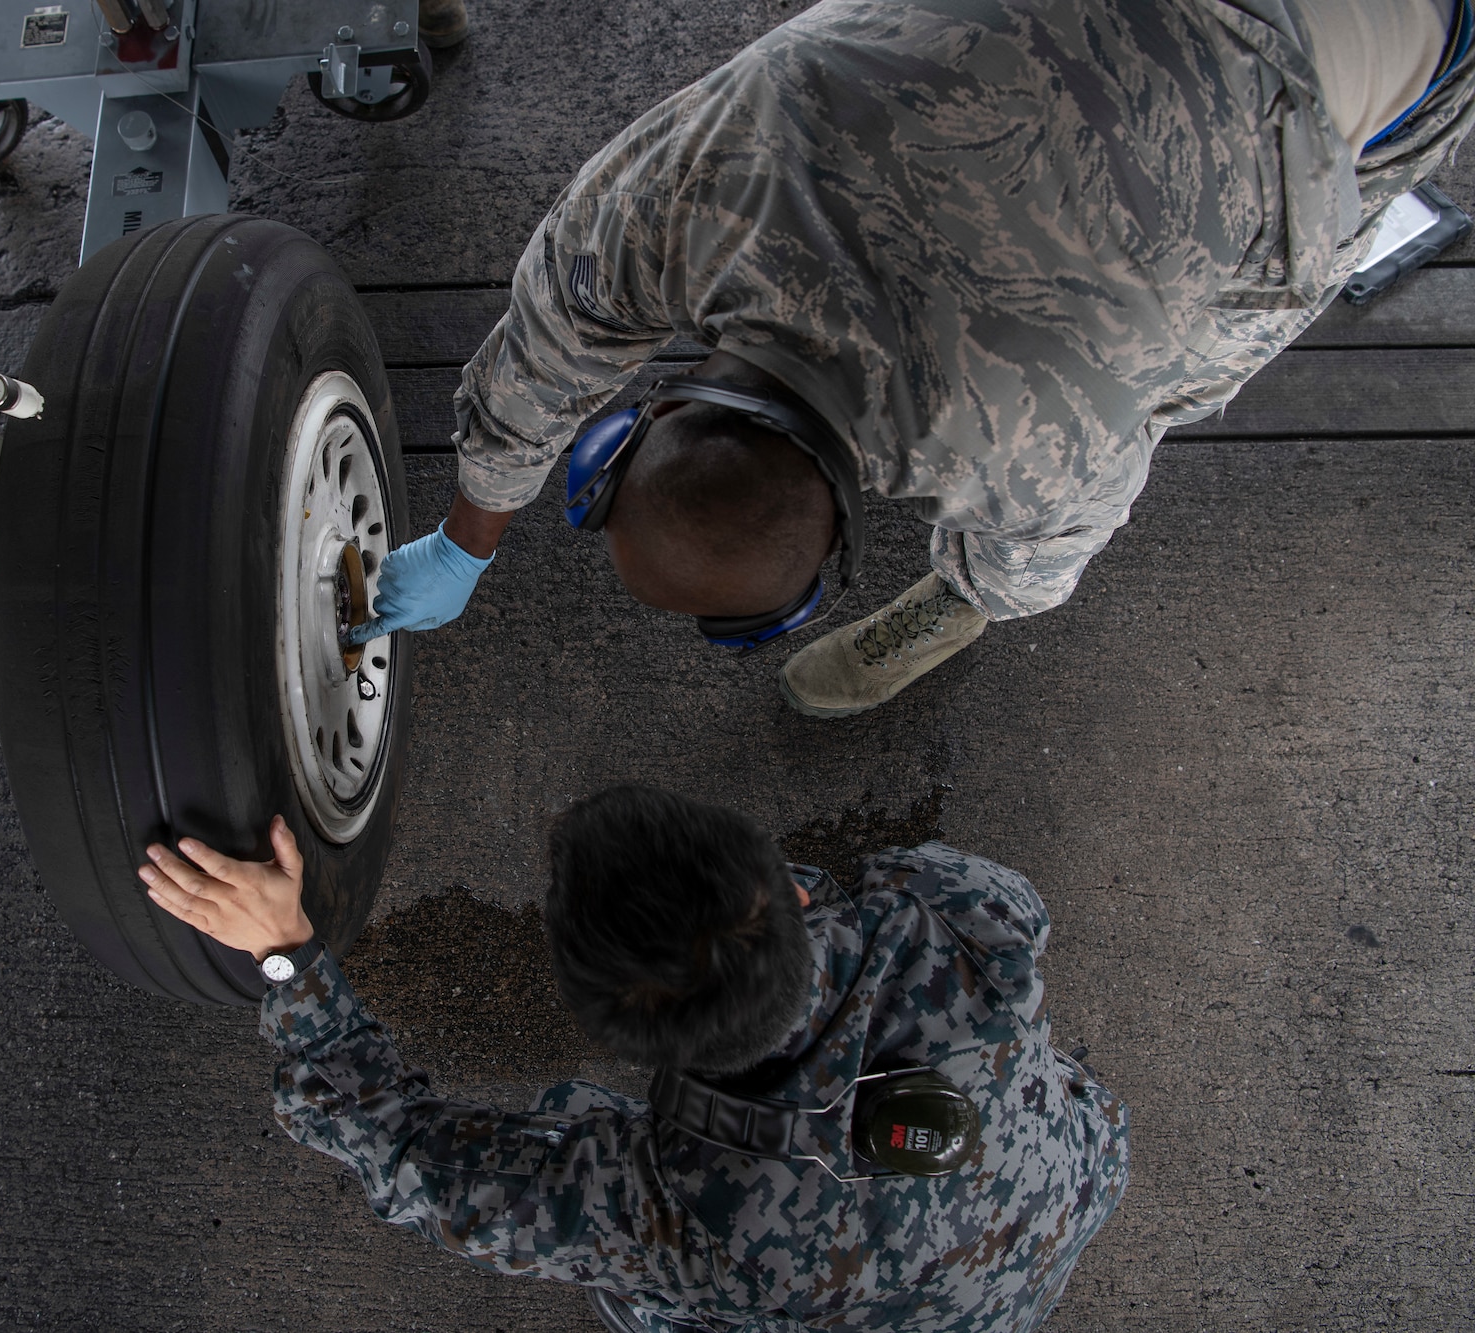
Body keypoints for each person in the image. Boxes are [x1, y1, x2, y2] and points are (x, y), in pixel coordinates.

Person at [349, 0, 1475, 718]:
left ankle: (949, 609)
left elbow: (1052, 548)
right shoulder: (714, 174)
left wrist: (986, 588)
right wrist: (465, 532)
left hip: (1350, 54)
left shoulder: (1049, 433)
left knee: (1253, 294)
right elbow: (550, 329)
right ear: (637, 418)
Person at [137, 787, 1129, 1331]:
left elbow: (402, 1151)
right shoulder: (950, 913)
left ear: (618, 1035)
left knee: (647, 1290)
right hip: (1062, 1190)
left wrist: (286, 954)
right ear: (785, 892)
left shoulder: (673, 1213)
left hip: (817, 1292)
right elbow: (1004, 910)